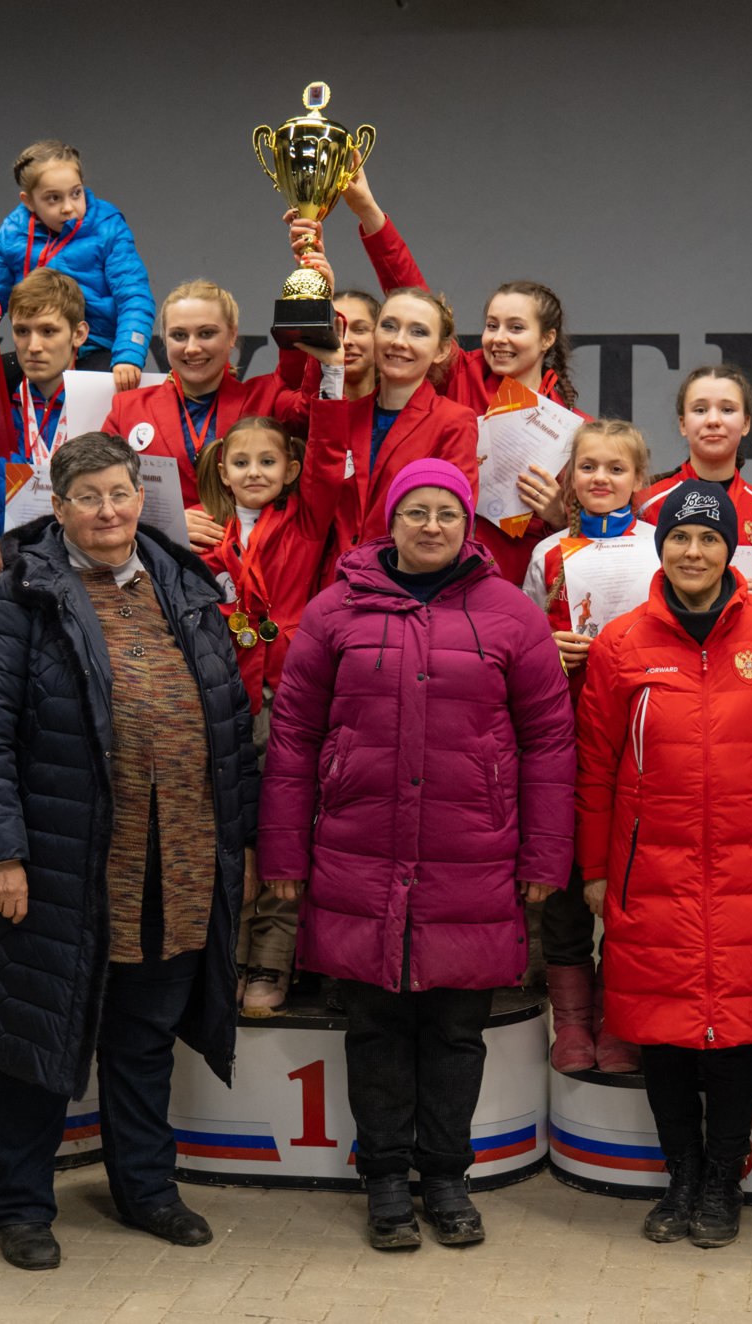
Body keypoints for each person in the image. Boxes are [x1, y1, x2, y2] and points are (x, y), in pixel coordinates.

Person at [0, 432, 257, 1271]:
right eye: (89, 498)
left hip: (174, 860)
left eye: (121, 494)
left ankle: (146, 1189)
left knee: (144, 1036)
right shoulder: (14, 601)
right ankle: (20, 1206)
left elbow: (228, 726)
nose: (109, 511)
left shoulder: (187, 587)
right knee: (40, 1037)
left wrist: (238, 846)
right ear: (59, 508)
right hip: (60, 866)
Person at [260, 459, 575, 1251]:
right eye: (415, 512)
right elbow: (293, 740)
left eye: (446, 512)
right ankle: (386, 1183)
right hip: (358, 856)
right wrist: (284, 855)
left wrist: (544, 857)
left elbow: (548, 742)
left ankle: (445, 1178)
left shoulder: (510, 614)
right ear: (389, 521)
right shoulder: (335, 613)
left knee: (454, 1033)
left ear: (468, 523)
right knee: (373, 1029)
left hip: (472, 858)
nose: (430, 525)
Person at [576, 480, 752, 1249]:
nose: (693, 551)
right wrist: (597, 870)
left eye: (709, 539)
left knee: (735, 1036)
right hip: (652, 869)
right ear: (661, 544)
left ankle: (721, 1182)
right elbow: (596, 766)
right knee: (665, 1032)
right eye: (680, 537)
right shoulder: (621, 645)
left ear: (730, 549)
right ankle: (681, 1176)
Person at [290, 167, 578, 583]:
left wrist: (557, 515)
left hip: (488, 577)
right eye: (491, 324)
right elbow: (411, 297)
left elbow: (587, 529)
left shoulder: (569, 424)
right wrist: (368, 212)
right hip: (365, 578)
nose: (499, 339)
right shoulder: (464, 371)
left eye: (516, 328)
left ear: (547, 338)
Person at [194, 348, 346, 1016]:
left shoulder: (307, 521)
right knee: (230, 830)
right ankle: (225, 955)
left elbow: (329, 454)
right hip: (222, 697)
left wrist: (331, 374)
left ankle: (271, 962)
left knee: (283, 829)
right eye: (241, 462)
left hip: (286, 693)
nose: (254, 472)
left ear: (289, 471)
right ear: (221, 471)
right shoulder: (204, 540)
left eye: (268, 461)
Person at [522, 420, 658, 1075]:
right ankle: (573, 1024)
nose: (601, 479)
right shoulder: (548, 551)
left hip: (645, 747)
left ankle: (622, 1019)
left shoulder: (662, 549)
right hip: (566, 747)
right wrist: (547, 650)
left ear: (641, 480)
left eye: (616, 469)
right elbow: (518, 648)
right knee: (570, 892)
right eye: (588, 467)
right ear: (569, 476)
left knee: (632, 895)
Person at [103, 279, 313, 544]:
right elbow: (98, 492)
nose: (192, 347)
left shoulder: (266, 396)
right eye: (179, 335)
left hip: (250, 565)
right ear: (164, 339)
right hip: (162, 567)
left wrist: (312, 299)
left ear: (233, 335)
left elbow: (312, 408)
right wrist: (162, 524)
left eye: (206, 333)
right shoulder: (129, 408)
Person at [302, 278, 481, 581]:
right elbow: (314, 511)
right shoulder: (340, 414)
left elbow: (451, 525)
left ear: (441, 351)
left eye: (418, 332)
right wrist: (332, 372)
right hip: (334, 591)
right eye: (389, 326)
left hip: (406, 590)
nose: (399, 341)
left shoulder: (453, 421)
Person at [0, 139, 154, 390]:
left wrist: (128, 354)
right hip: (43, 351)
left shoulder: (108, 228)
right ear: (28, 201)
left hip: (97, 348)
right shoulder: (12, 234)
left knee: (98, 393)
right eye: (53, 199)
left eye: (76, 193)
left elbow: (135, 297)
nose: (68, 207)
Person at [635, 365, 752, 587]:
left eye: (727, 410)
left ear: (746, 423)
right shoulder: (645, 504)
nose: (713, 420)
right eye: (700, 410)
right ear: (683, 424)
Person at [0, 268, 88, 535]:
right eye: (22, 331)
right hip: (15, 567)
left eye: (48, 331)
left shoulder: (104, 409)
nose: (33, 346)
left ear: (78, 334)